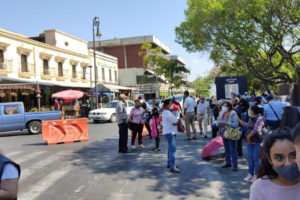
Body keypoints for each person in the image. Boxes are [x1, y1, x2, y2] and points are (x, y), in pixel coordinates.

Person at [250, 127, 300, 200]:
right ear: (270, 160)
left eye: (294, 155)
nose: (288, 163)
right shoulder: (259, 188)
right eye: (279, 158)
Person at [238, 105, 264, 182]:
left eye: (250, 110)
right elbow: (248, 125)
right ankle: (250, 174)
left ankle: (256, 175)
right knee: (250, 158)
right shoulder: (251, 118)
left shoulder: (260, 118)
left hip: (257, 141)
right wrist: (240, 121)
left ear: (253, 111)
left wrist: (249, 136)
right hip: (250, 142)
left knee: (256, 158)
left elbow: (256, 129)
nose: (249, 111)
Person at [217, 102, 239, 171]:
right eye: (222, 106)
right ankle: (228, 162)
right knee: (226, 149)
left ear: (229, 107)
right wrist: (218, 123)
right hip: (224, 133)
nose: (223, 107)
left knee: (233, 149)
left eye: (225, 106)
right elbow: (217, 122)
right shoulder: (221, 113)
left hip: (231, 133)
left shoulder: (233, 113)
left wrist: (226, 123)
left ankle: (235, 165)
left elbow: (236, 124)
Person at [162, 99, 180, 173]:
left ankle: (170, 163)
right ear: (166, 105)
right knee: (172, 149)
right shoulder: (167, 113)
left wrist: (176, 122)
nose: (171, 105)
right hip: (170, 132)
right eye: (170, 104)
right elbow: (176, 121)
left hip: (169, 132)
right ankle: (172, 166)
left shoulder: (166, 112)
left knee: (170, 149)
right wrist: (178, 121)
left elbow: (174, 122)